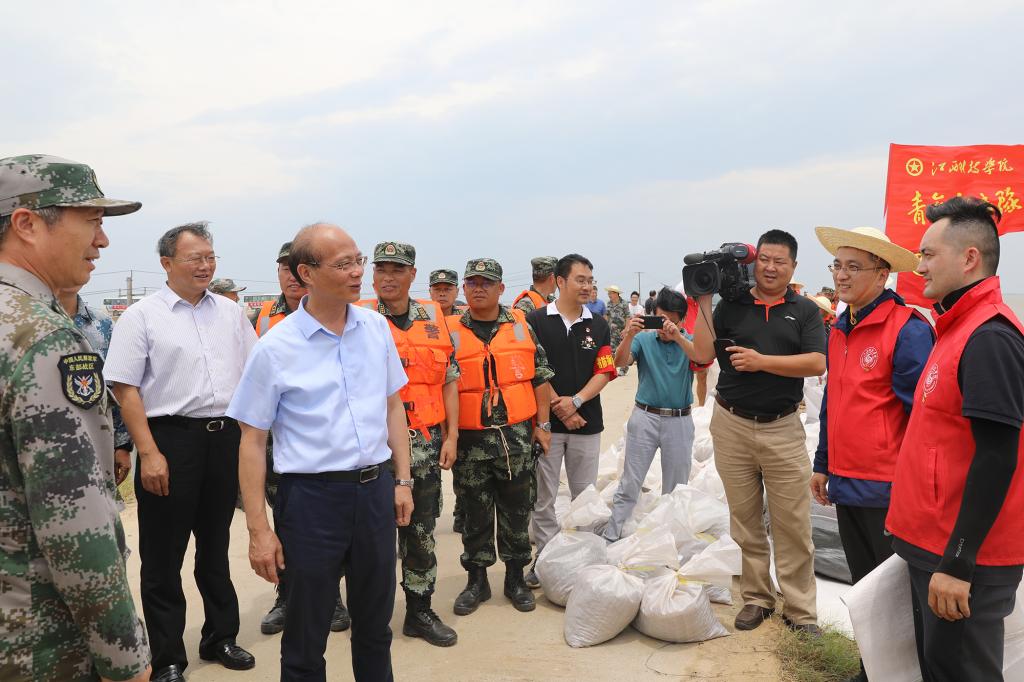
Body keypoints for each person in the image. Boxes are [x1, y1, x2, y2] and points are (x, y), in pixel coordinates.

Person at [230, 223, 413, 681]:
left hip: (374, 493)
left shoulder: (375, 329)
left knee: (375, 625)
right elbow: (252, 441)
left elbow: (393, 406)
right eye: (343, 264)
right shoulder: (275, 348)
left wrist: (402, 480)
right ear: (306, 273)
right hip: (312, 501)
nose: (357, 272)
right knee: (306, 633)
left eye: (358, 261)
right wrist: (258, 530)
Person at [0, 154, 151, 682]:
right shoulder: (40, 337)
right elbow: (73, 519)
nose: (102, 241)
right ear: (27, 224)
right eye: (91, 221)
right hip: (35, 642)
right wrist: (124, 657)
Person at [107, 222, 258, 681]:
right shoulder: (141, 316)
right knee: (163, 556)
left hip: (224, 438)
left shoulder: (230, 313)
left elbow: (254, 374)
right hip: (170, 441)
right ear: (167, 263)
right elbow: (125, 388)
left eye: (210, 257)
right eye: (195, 258)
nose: (205, 266)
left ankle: (220, 637)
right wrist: (148, 452)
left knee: (216, 547)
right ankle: (168, 656)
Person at [886, 197, 1024, 681]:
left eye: (928, 254)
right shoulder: (956, 327)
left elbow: (997, 456)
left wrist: (959, 561)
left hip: (962, 556)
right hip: (933, 542)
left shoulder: (990, 338)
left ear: (969, 258)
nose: (919, 266)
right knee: (939, 668)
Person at [809, 226, 934, 682]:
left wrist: (919, 485)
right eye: (837, 265)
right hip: (846, 484)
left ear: (882, 274)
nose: (841, 276)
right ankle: (872, 671)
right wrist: (823, 463)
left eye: (852, 267)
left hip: (889, 490)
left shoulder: (907, 329)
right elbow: (833, 401)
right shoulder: (840, 328)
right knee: (866, 592)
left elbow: (924, 417)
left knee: (897, 600)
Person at [691, 229, 826, 635]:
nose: (770, 267)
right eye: (764, 259)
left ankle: (801, 611)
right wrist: (703, 300)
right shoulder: (731, 306)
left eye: (779, 261)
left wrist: (761, 361)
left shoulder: (805, 310)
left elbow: (817, 362)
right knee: (745, 521)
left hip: (783, 427)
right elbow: (702, 354)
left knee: (793, 525)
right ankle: (757, 599)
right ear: (754, 262)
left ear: (793, 267)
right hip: (731, 423)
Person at [355, 241, 461, 647]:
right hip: (374, 447)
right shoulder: (358, 318)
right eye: (381, 269)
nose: (387, 277)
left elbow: (449, 380)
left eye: (397, 270)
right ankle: (371, 616)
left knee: (421, 532)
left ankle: (419, 611)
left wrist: (452, 435)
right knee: (370, 537)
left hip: (426, 443)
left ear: (412, 275)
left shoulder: (434, 318)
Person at [253, 242, 352, 637]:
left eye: (296, 269)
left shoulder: (342, 314)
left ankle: (332, 597)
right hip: (278, 444)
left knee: (334, 525)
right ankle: (286, 595)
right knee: (287, 521)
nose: (291, 277)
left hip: (326, 444)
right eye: (284, 269)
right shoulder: (262, 319)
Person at [447, 258, 554, 616]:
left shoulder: (521, 324)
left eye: (487, 283)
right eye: (472, 282)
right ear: (464, 288)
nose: (479, 288)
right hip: (470, 442)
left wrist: (543, 426)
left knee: (517, 512)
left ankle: (515, 579)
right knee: (474, 514)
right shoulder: (448, 329)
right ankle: (476, 581)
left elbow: (540, 377)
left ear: (501, 288)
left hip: (516, 439)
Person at [526, 253, 617, 586]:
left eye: (590, 280)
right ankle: (545, 558)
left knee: (584, 496)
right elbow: (534, 370)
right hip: (546, 426)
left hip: (586, 424)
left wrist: (576, 402)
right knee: (544, 498)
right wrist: (559, 406)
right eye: (580, 280)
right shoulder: (536, 321)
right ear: (560, 281)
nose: (587, 286)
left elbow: (605, 371)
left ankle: (583, 559)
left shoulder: (599, 325)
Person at [604, 287, 701, 541]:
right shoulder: (643, 340)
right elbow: (619, 362)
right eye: (659, 319)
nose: (663, 326)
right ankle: (612, 534)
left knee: (677, 488)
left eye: (671, 321)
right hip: (645, 417)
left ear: (682, 320)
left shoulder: (689, 342)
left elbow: (700, 360)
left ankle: (669, 540)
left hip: (679, 420)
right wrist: (629, 335)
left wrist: (678, 337)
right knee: (630, 482)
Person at [58, 285, 134, 488]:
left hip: (98, 446)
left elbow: (117, 387)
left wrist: (122, 445)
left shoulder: (103, 325)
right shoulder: (25, 322)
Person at [605, 284, 629, 352]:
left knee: (622, 350)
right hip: (611, 333)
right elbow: (607, 315)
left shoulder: (624, 303)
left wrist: (626, 330)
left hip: (621, 332)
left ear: (616, 294)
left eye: (610, 293)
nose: (609, 295)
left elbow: (628, 317)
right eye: (608, 293)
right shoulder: (609, 303)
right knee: (612, 351)